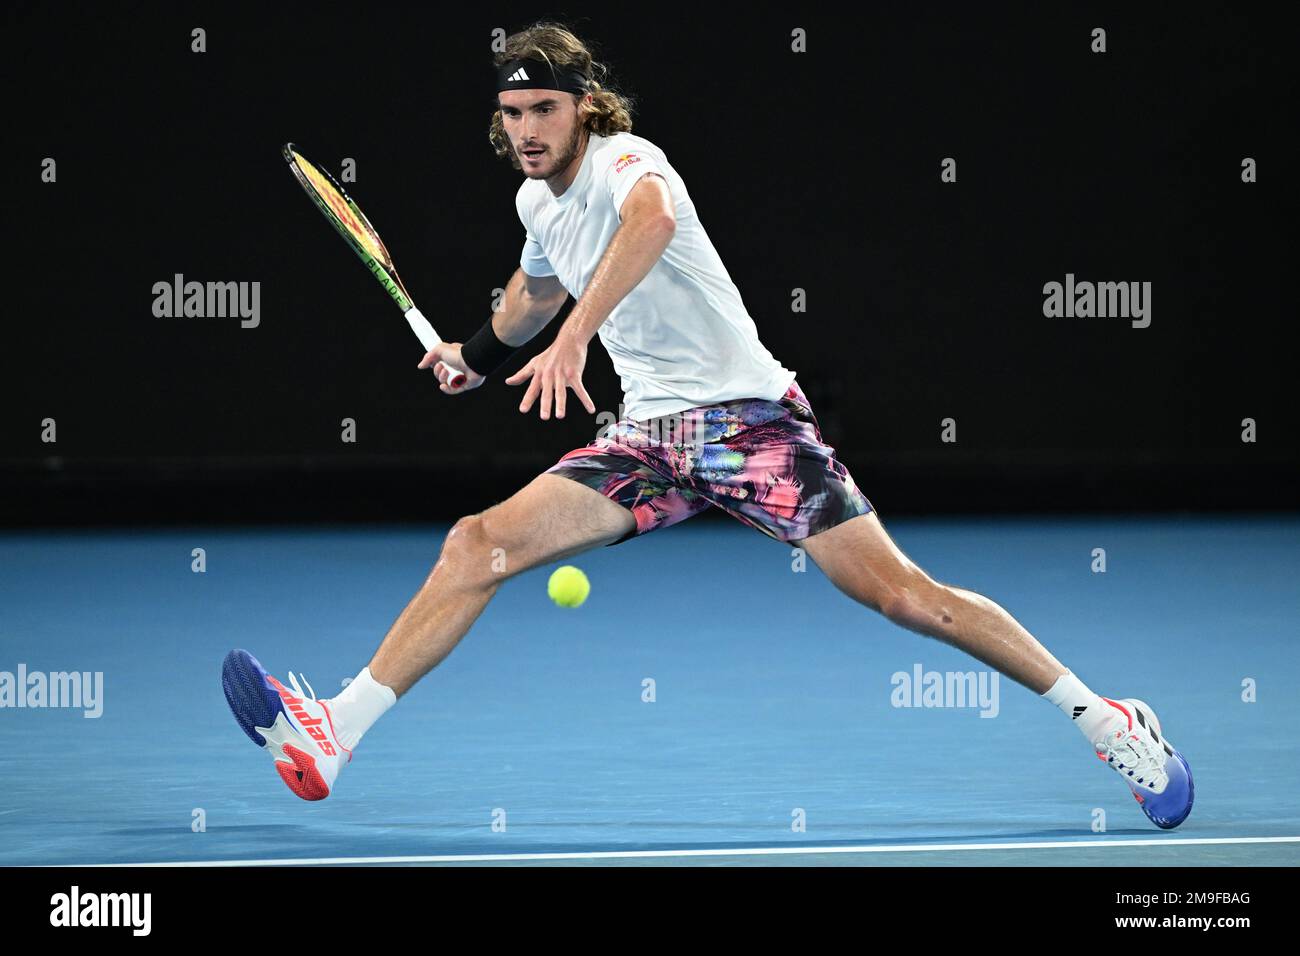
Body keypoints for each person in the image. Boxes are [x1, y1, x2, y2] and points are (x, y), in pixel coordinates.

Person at [222, 22, 1192, 829]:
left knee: (905, 599)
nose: (525, 127)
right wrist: (475, 356)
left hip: (746, 421)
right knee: (477, 541)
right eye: (511, 111)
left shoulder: (626, 163)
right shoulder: (537, 198)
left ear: (582, 108)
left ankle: (1104, 717)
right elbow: (529, 293)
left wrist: (575, 339)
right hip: (648, 437)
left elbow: (645, 226)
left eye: (543, 109)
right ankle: (332, 732)